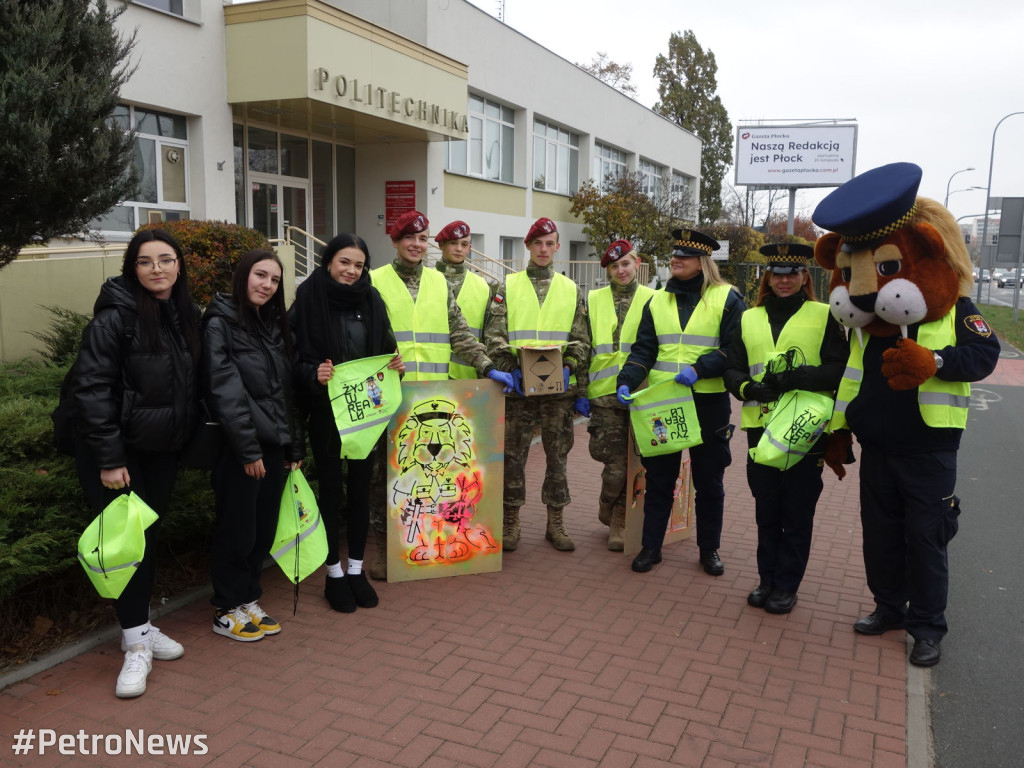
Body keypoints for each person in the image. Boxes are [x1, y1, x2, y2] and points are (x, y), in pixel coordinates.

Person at [812, 162, 1000, 666]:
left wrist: (935, 361)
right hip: (878, 448)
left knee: (927, 538)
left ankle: (928, 627)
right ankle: (888, 608)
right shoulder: (862, 326)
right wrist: (837, 432)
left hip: (930, 449)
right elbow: (851, 378)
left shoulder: (958, 310)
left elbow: (985, 357)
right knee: (880, 535)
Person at [72, 228, 201, 698]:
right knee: (125, 548)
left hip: (160, 451)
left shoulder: (183, 313)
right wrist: (109, 458)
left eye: (165, 260)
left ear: (179, 265)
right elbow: (92, 387)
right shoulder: (116, 316)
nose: (156, 269)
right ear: (133, 268)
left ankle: (141, 629)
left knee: (144, 542)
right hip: (117, 456)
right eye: (145, 262)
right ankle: (135, 647)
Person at [368, 211, 513, 578]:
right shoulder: (374, 282)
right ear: (396, 242)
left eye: (422, 239)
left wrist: (486, 366)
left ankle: (426, 543)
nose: (416, 245)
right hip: (388, 396)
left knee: (429, 475)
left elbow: (460, 332)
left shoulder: (437, 282)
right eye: (409, 238)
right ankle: (384, 548)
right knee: (383, 475)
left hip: (429, 398)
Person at [722, 243, 846, 613]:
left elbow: (839, 367)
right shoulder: (748, 317)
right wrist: (747, 387)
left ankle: (786, 585)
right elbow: (732, 367)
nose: (784, 280)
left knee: (797, 510)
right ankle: (767, 580)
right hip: (760, 428)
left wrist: (796, 377)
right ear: (768, 277)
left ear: (805, 277)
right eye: (777, 273)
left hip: (805, 428)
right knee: (767, 508)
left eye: (792, 273)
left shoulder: (825, 315)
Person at [616, 229, 744, 574]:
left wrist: (701, 368)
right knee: (659, 480)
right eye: (674, 255)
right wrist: (626, 379)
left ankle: (709, 550)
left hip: (708, 402)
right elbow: (644, 350)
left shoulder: (728, 298)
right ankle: (651, 547)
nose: (675, 260)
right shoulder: (657, 300)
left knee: (709, 482)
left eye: (684, 256)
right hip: (665, 404)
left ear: (702, 262)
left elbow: (736, 349)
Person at [289, 234, 403, 613]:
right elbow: (289, 357)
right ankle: (333, 573)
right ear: (328, 262)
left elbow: (385, 347)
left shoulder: (371, 299)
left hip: (364, 413)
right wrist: (312, 373)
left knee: (359, 491)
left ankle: (356, 569)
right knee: (331, 493)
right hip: (325, 412)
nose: (352, 271)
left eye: (358, 265)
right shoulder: (308, 298)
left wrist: (394, 365)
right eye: (344, 263)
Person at [203, 249, 304, 642]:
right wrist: (248, 451)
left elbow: (284, 392)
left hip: (273, 446)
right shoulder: (219, 323)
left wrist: (293, 447)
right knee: (237, 529)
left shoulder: (272, 326)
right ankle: (226, 608)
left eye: (275, 280)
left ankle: (248, 599)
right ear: (243, 276)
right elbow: (224, 391)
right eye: (260, 275)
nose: (266, 285)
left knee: (261, 531)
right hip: (241, 449)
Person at [483, 217, 590, 551]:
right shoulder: (507, 287)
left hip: (558, 391)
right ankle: (511, 522)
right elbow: (494, 334)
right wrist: (509, 366)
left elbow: (582, 338)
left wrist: (571, 366)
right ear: (528, 246)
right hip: (518, 389)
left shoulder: (571, 289)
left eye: (550, 243)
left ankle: (555, 524)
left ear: (557, 247)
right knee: (513, 457)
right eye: (538, 243)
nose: (544, 249)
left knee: (557, 458)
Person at [577, 239, 655, 551]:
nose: (620, 270)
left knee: (633, 464)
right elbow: (583, 346)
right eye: (614, 266)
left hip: (640, 394)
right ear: (608, 270)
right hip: (603, 395)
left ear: (637, 263)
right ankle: (607, 503)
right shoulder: (593, 299)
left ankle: (618, 522)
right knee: (613, 466)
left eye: (625, 263)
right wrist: (580, 390)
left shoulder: (654, 299)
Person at [434, 220, 494, 379]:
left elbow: (489, 334)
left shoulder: (482, 286)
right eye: (453, 243)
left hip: (468, 376)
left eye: (464, 244)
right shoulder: (426, 280)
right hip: (430, 376)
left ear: (469, 248)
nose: (459, 248)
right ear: (441, 245)